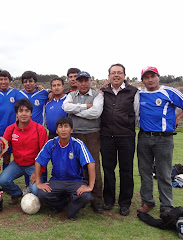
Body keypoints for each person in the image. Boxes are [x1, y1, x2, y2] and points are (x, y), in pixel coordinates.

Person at [137, 66, 183, 213]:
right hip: (143, 137)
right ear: (142, 81)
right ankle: (148, 202)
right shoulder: (140, 94)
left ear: (158, 77)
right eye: (146, 78)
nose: (150, 80)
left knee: (164, 173)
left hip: (164, 139)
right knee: (145, 172)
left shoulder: (169, 92)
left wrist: (178, 117)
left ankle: (166, 205)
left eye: (152, 76)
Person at [35, 116, 95, 221]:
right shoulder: (51, 143)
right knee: (41, 193)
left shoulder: (77, 144)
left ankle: (71, 209)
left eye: (66, 126)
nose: (63, 130)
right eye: (60, 127)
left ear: (71, 130)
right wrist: (38, 182)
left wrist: (90, 186)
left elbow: (91, 163)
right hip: (57, 180)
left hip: (75, 181)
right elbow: (38, 161)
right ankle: (60, 204)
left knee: (86, 196)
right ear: (56, 130)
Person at [62, 71, 104, 214]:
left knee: (93, 166)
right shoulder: (71, 95)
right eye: (80, 81)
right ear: (77, 83)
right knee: (73, 166)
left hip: (92, 134)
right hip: (74, 134)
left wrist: (76, 110)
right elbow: (66, 107)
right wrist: (85, 107)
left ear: (90, 81)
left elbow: (96, 113)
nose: (83, 83)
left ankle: (96, 200)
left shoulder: (97, 95)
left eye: (86, 80)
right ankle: (74, 197)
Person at [100, 63, 139, 216]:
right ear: (109, 76)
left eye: (119, 73)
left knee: (126, 171)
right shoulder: (103, 92)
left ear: (124, 75)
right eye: (113, 73)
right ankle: (108, 200)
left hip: (126, 137)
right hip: (106, 137)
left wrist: (127, 127)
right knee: (108, 170)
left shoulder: (134, 92)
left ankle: (125, 202)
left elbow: (137, 114)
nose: (116, 75)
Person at [0, 98, 48, 205]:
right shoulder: (10, 129)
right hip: (17, 164)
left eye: (27, 111)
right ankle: (16, 193)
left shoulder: (39, 129)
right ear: (16, 113)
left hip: (34, 165)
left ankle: (31, 190)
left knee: (36, 191)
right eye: (21, 111)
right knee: (2, 180)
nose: (24, 114)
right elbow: (2, 148)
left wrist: (37, 172)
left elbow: (45, 154)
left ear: (31, 113)